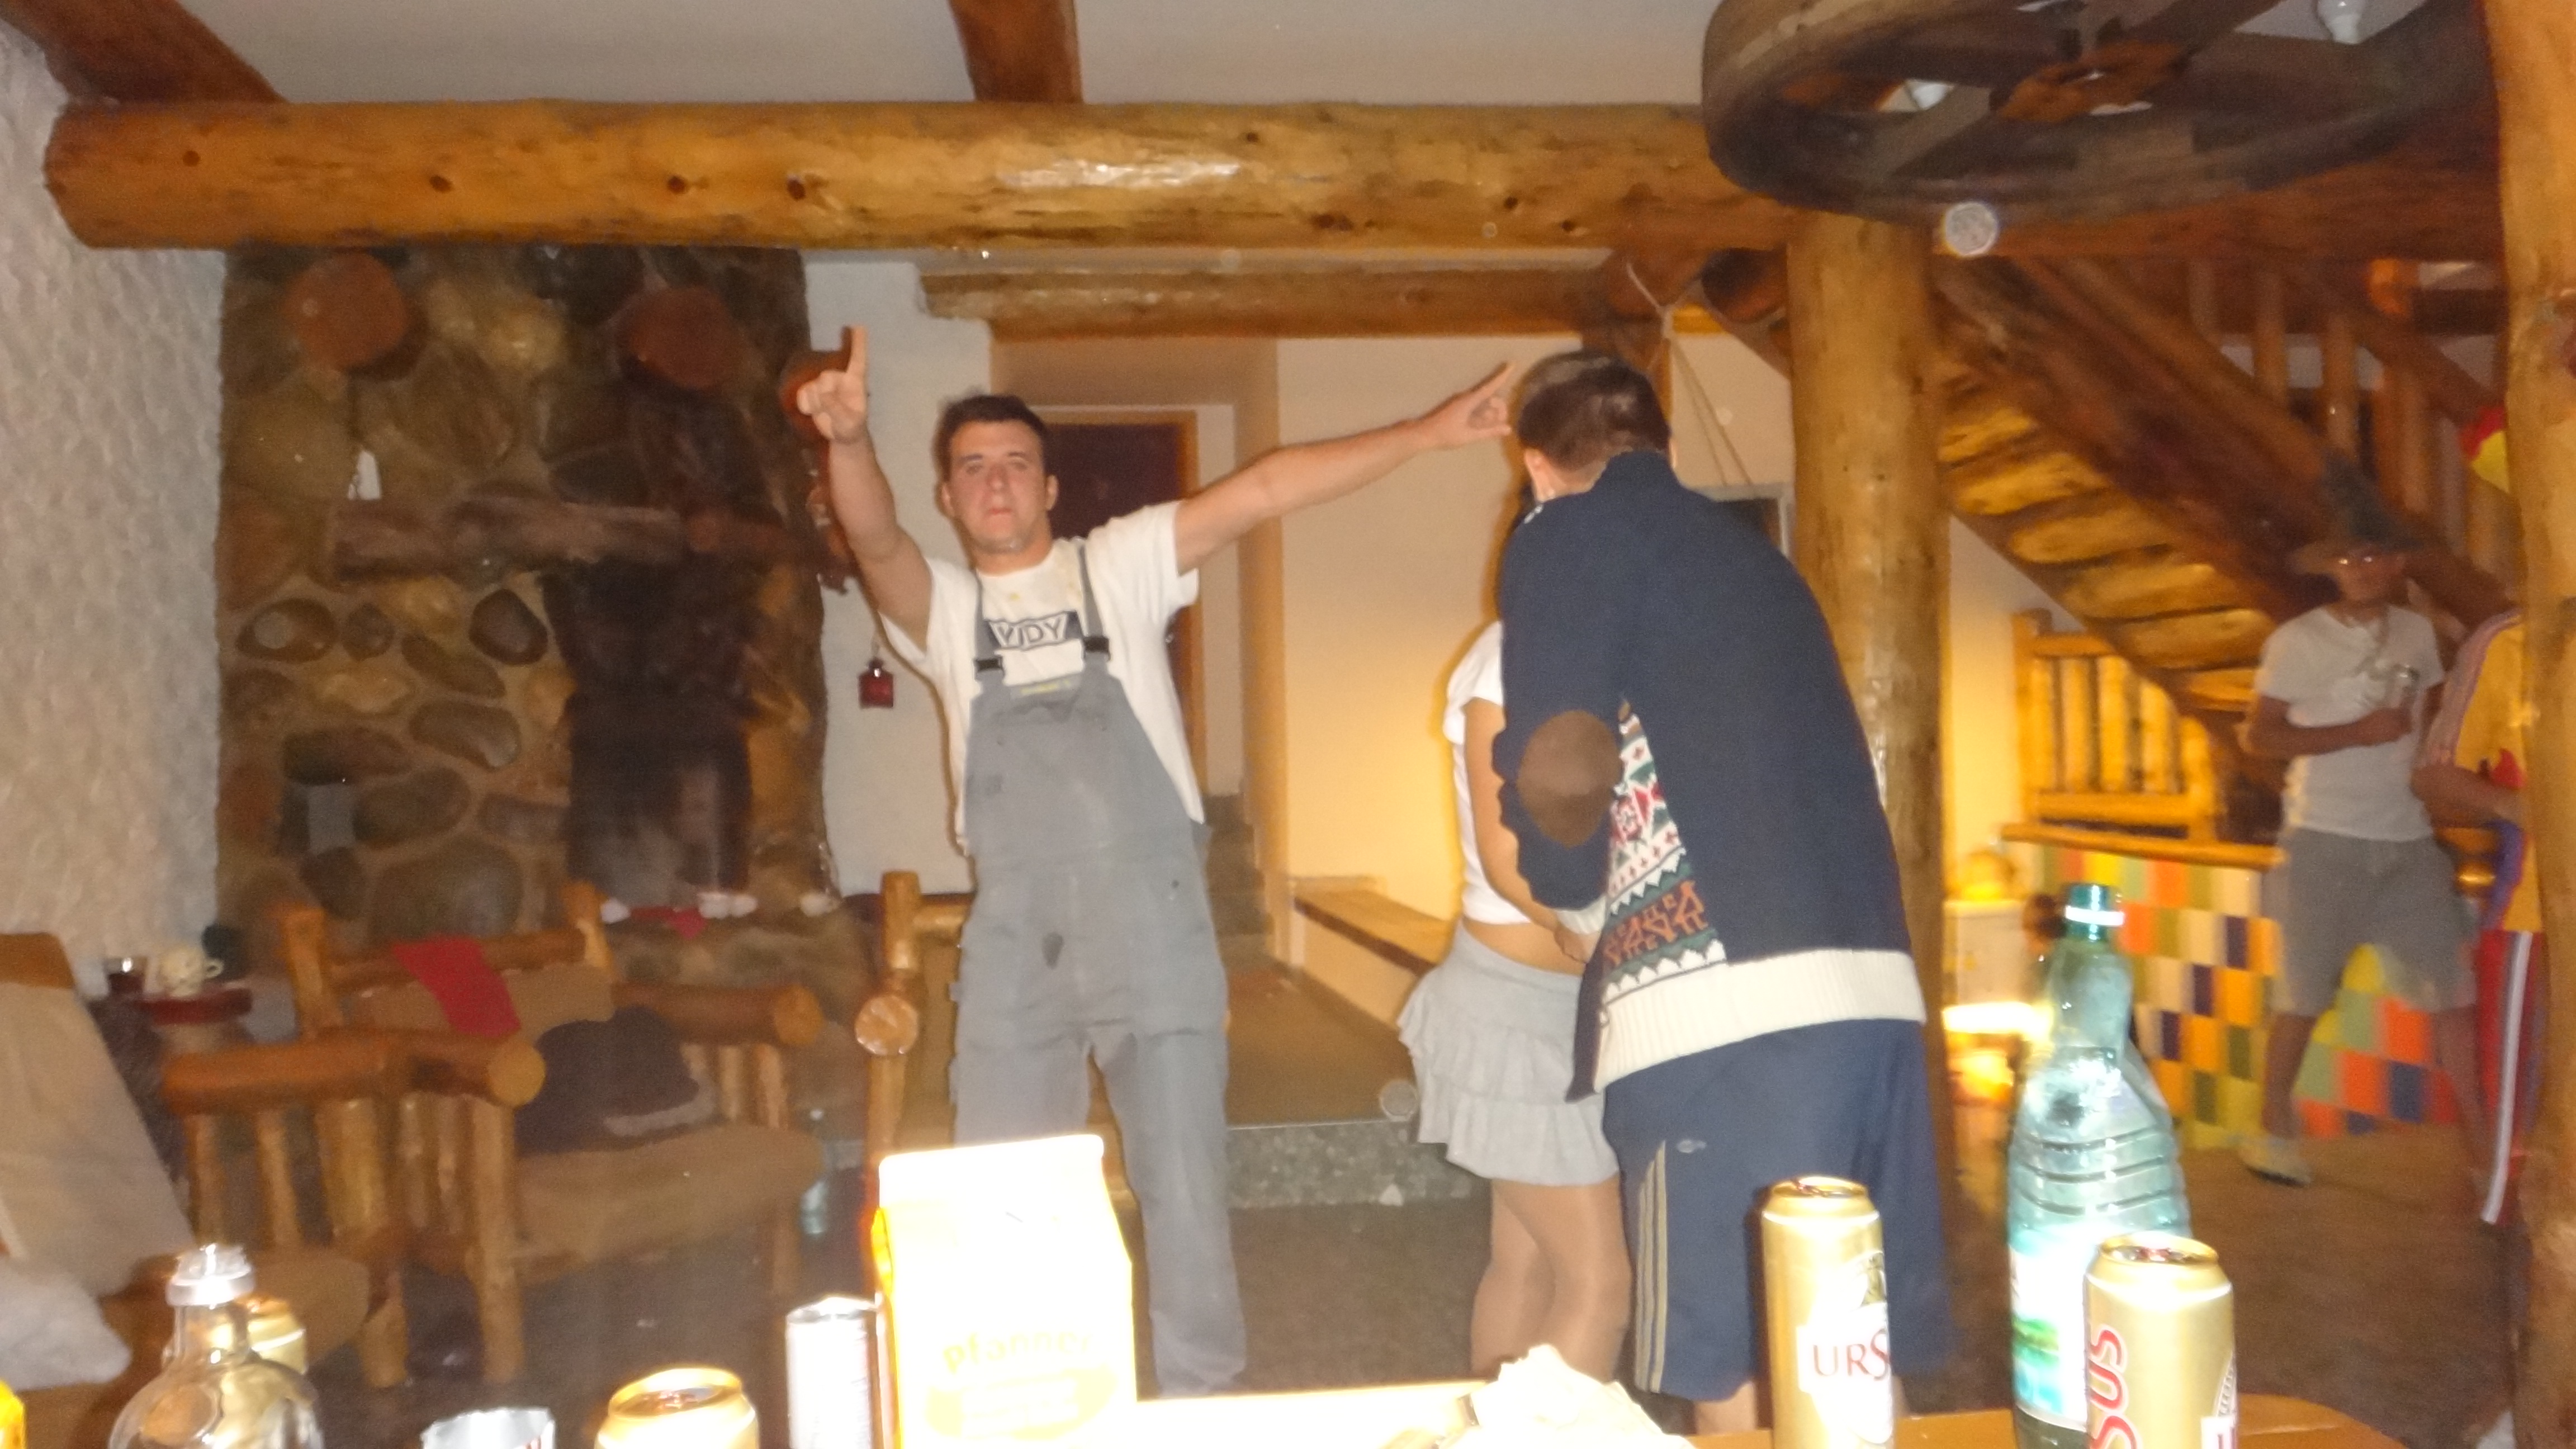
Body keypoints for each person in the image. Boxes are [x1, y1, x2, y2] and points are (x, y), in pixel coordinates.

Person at [796, 329, 1513, 1396]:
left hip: (1153, 928)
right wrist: (849, 443)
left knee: (1185, 1188)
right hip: (1017, 950)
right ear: (947, 496)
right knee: (1002, 1191)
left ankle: (1198, 1401)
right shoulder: (944, 611)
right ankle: (1024, 1406)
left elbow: (1263, 487)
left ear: (1049, 486)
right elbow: (873, 538)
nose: (995, 482)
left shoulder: (1119, 564)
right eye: (972, 467)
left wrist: (1424, 432)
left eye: (1015, 463)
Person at [1488, 351, 1953, 1433]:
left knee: (1733, 1358)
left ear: (1537, 465)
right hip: (1867, 997)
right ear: (1664, 447)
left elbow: (1559, 759)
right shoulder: (1755, 559)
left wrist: (1569, 895)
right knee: (1841, 1340)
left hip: (1721, 1012)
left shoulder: (1563, 532)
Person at [1398, 615, 1630, 1381]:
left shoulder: (1600, 647)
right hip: (1514, 1009)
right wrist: (1595, 928)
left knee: (1526, 1266)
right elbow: (1508, 858)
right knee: (1601, 1286)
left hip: (1572, 1011)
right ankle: (1543, 1432)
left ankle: (1495, 1428)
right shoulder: (1508, 657)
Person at [2236, 473, 2482, 1187]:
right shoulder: (2297, 642)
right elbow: (2260, 737)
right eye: (2349, 559)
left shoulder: (2416, 633)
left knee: (2454, 995)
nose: (2362, 569)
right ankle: (2271, 1131)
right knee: (2303, 997)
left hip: (2408, 843)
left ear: (2397, 563)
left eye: (2374, 555)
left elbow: (2432, 719)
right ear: (2332, 569)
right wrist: (2355, 733)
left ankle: (2484, 1150)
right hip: (2324, 841)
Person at [2414, 608, 2544, 1224]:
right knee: (2518, 1113)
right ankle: (2511, 1231)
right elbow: (2435, 774)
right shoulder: (2508, 642)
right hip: (2535, 918)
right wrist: (2516, 805)